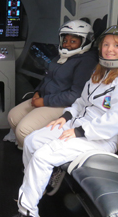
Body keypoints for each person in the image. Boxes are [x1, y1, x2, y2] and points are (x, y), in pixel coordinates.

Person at [0, 25, 118, 217]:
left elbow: (115, 121)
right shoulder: (102, 71)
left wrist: (79, 132)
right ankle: (36, 188)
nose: (109, 49)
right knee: (32, 141)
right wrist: (65, 116)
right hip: (76, 124)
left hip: (99, 137)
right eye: (105, 45)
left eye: (116, 45)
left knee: (42, 156)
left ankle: (28, 214)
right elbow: (81, 101)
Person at [8, 20, 98, 149]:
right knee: (13, 116)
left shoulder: (86, 61)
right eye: (65, 40)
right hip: (45, 98)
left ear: (86, 41)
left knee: (23, 130)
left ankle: (34, 160)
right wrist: (37, 93)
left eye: (73, 41)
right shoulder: (61, 56)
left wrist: (44, 101)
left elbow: (75, 95)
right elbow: (47, 78)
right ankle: (24, 150)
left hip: (63, 104)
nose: (67, 44)